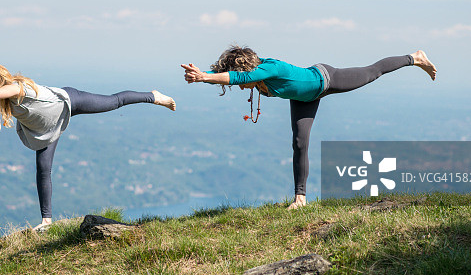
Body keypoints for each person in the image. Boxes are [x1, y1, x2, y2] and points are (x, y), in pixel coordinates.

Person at [0, 63, 176, 230]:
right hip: (47, 128)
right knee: (43, 169)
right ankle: (47, 221)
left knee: (114, 102)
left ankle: (153, 96)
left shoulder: (16, 87)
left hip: (69, 101)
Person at [181, 47, 436, 209]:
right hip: (305, 99)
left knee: (372, 72)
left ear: (247, 68)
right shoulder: (254, 77)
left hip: (327, 79)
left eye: (240, 79)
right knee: (300, 144)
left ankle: (413, 58)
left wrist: (204, 77)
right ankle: (300, 199)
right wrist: (201, 74)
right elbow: (231, 75)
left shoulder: (268, 68)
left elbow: (240, 78)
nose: (238, 87)